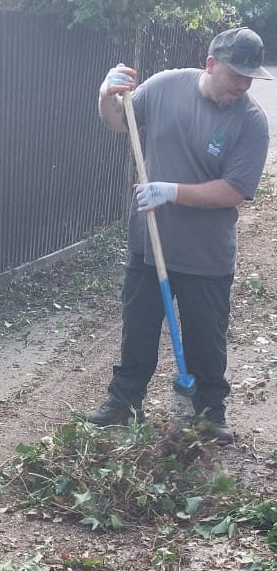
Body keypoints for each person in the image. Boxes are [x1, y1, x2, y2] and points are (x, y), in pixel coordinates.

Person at [87, 27, 272, 444]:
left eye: (249, 77)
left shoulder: (251, 122)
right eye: (235, 75)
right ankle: (123, 401)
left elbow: (235, 191)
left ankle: (209, 413)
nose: (243, 85)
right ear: (211, 64)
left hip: (206, 256)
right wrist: (106, 97)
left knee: (206, 339)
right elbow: (122, 124)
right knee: (138, 330)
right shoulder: (166, 86)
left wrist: (171, 191)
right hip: (149, 246)